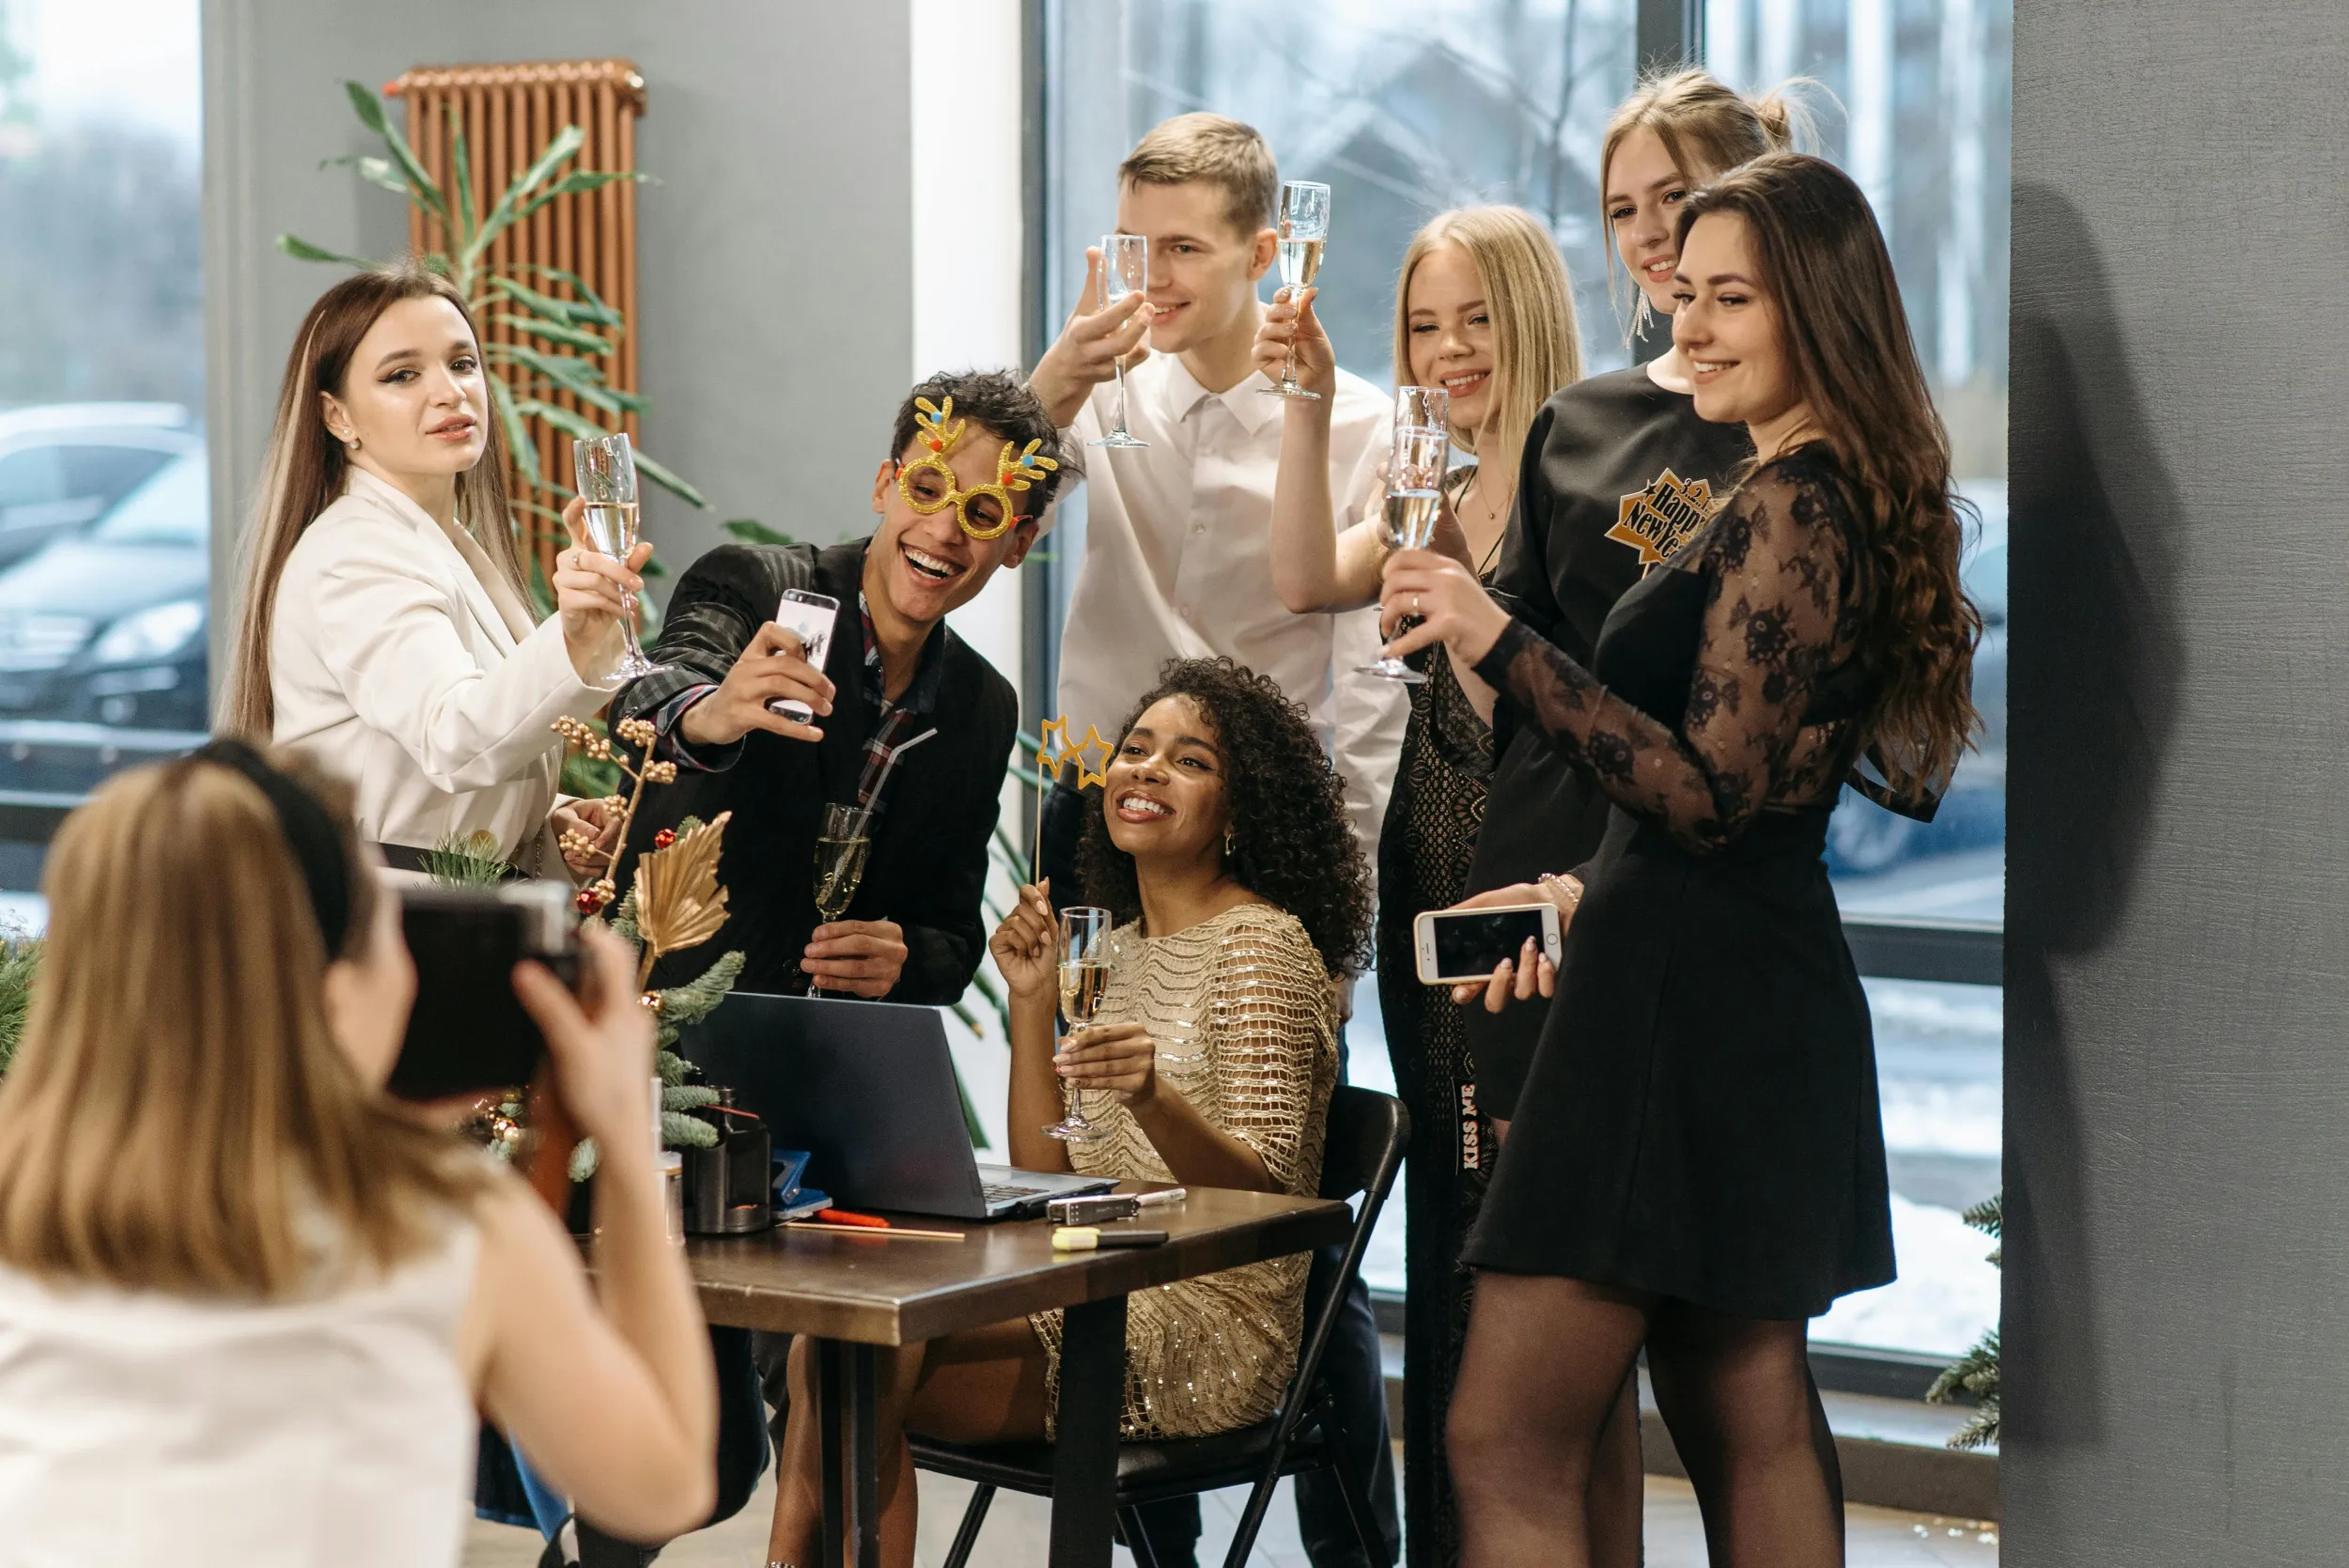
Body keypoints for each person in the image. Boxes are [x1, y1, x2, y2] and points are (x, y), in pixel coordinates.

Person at [1378, 152, 1981, 1565]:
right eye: (1682, 293)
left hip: (1683, 989)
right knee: (1739, 1393)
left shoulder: (1795, 504)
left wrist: (1493, 635)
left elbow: (1707, 797)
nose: (1686, 324)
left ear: (1818, 315)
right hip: (1731, 971)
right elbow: (1745, 794)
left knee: (1505, 1438)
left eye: (1729, 300)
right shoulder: (1812, 486)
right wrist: (1580, 885)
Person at [0, 742, 717, 1566]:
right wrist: (625, 1137)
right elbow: (659, 1485)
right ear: (336, 995)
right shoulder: (439, 1228)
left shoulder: (22, 1207)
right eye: (392, 928)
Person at [761, 657, 1371, 1568]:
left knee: (858, 1362)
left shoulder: (1262, 945)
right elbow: (1052, 1168)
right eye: (1136, 748)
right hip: (1092, 1285)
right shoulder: (1108, 950)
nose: (1148, 769)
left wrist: (1152, 1095)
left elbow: (1271, 1193)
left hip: (1203, 1315)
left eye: (1191, 760)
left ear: (1240, 811)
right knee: (838, 1348)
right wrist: (1032, 1004)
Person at [1027, 110, 1402, 1568]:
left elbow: (1367, 694)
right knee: (1106, 1164)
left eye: (1182, 248)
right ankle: (1153, 1538)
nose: (1152, 275)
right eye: (1132, 244)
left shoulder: (1353, 423)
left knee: (1275, 1204)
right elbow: (960, 513)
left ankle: (1355, 1541)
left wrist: (1334, 920)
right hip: (1098, 821)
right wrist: (1053, 383)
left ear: (1261, 252)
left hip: (1272, 846)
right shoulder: (1096, 400)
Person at [1252, 204, 1582, 1568]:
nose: (1449, 352)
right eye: (1424, 327)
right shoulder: (1419, 474)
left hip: (1537, 881)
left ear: (1530, 320)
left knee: (1529, 1231)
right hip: (1425, 870)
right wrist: (1312, 401)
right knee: (1443, 1213)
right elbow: (1296, 577)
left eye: (1475, 321)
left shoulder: (1587, 477)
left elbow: (1582, 717)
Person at [607, 368, 1063, 1001]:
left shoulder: (982, 704)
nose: (943, 529)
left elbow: (953, 938)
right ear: (885, 485)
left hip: (828, 1063)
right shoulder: (755, 586)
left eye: (982, 513)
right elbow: (647, 700)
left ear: (1018, 542)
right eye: (926, 488)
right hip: (662, 1021)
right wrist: (714, 711)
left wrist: (903, 958)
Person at [226, 264, 648, 879]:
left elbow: (430, 783)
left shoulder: (439, 541)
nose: (450, 391)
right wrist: (576, 633)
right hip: (393, 925)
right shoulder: (356, 552)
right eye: (403, 375)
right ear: (337, 415)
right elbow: (456, 739)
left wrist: (546, 822)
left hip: (445, 907)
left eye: (462, 363)